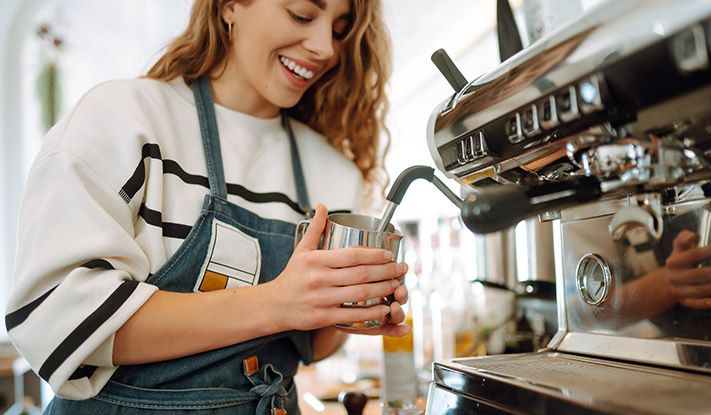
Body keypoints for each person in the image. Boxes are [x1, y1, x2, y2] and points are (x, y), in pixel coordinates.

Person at [5, 0, 410, 413]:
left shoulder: (332, 172)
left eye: (340, 30)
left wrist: (351, 307)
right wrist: (277, 303)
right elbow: (58, 320)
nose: (325, 47)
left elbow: (309, 348)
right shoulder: (124, 119)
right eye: (302, 14)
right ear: (230, 6)